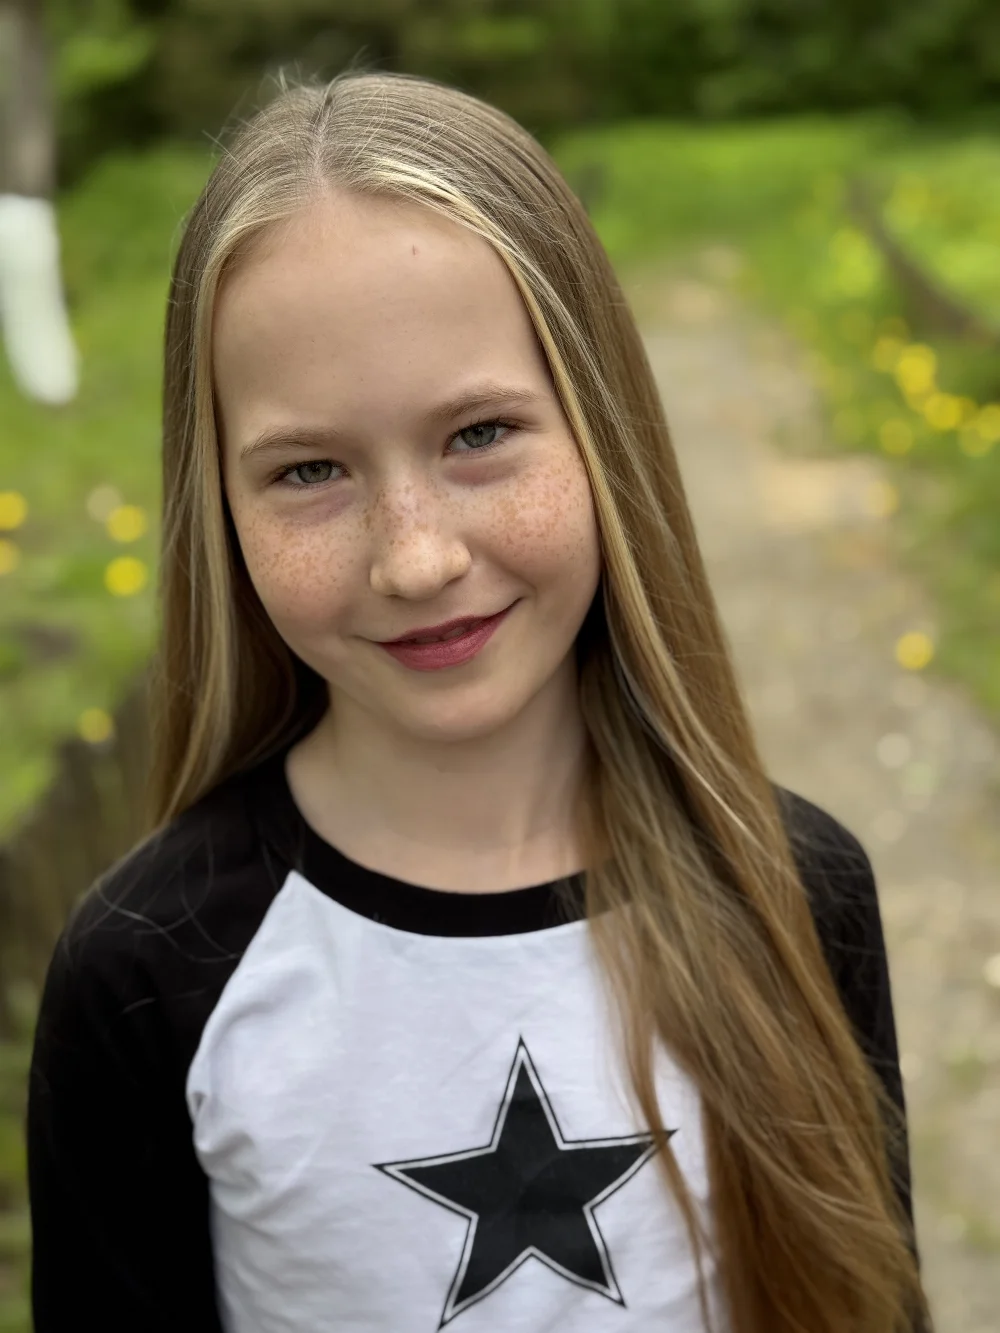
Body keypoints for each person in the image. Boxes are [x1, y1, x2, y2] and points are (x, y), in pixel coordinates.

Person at [26, 70, 931, 1333]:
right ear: (217, 508)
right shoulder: (146, 972)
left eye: (478, 435)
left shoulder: (791, 891)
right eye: (310, 469)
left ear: (602, 429)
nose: (415, 558)